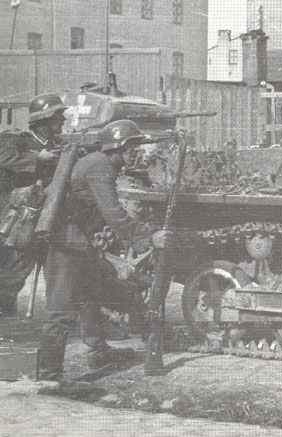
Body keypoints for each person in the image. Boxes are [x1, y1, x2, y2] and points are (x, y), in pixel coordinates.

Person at [38, 119, 171, 380]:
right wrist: (148, 236)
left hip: (79, 244)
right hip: (66, 245)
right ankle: (48, 377)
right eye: (133, 146)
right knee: (60, 310)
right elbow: (114, 214)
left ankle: (98, 348)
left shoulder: (100, 163)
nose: (138, 152)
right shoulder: (99, 166)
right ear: (117, 146)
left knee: (99, 293)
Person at [0, 93, 62, 316]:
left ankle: (62, 311)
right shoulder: (17, 140)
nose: (62, 121)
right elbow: (4, 158)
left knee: (59, 266)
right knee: (14, 268)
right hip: (18, 218)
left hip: (50, 216)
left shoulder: (59, 144)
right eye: (58, 117)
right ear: (44, 120)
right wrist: (38, 158)